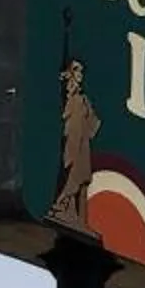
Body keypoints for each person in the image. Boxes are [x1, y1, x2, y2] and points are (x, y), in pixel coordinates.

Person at [44, 56, 99, 229]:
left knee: (83, 180)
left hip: (83, 144)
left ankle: (81, 219)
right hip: (73, 142)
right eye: (76, 70)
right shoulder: (72, 96)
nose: (80, 74)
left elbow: (93, 125)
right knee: (73, 177)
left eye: (81, 70)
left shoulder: (82, 99)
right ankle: (61, 207)